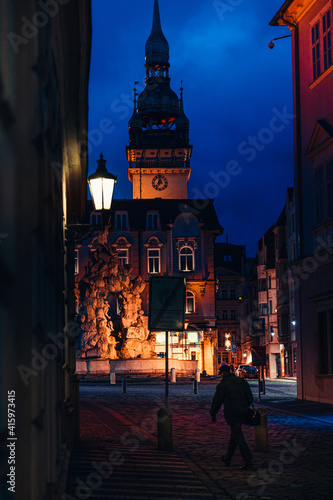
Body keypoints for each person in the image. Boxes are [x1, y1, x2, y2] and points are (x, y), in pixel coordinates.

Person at [210, 364, 254, 470]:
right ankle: (228, 459)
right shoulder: (241, 381)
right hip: (242, 411)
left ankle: (248, 459)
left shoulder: (224, 384)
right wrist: (244, 406)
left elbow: (217, 400)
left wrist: (213, 413)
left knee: (238, 436)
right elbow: (250, 397)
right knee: (234, 435)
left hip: (231, 412)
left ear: (222, 373)